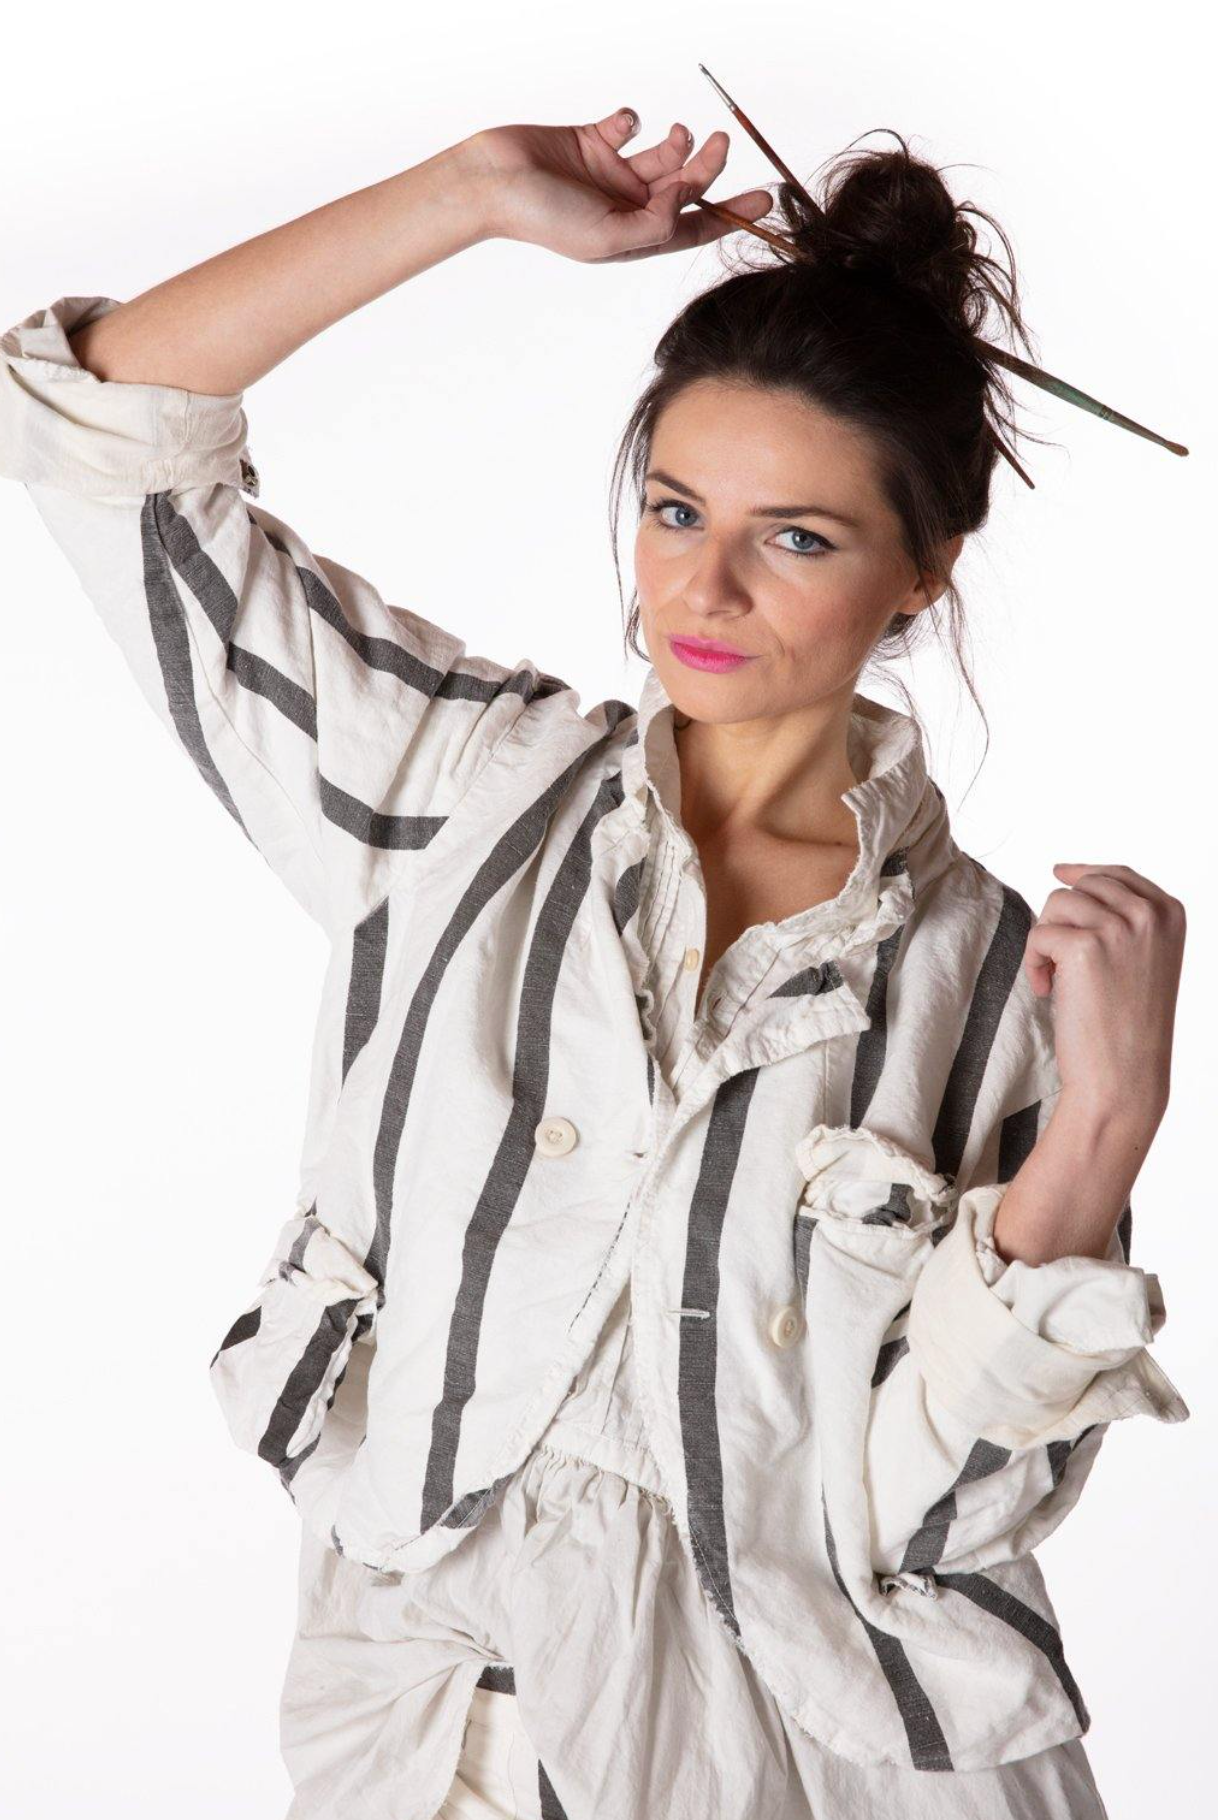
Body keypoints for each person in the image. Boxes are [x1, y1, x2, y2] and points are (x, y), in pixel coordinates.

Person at [0, 103, 1190, 1820]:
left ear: (923, 576)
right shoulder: (462, 792)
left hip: (823, 1769)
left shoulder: (997, 982)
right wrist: (465, 196)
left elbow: (946, 1515)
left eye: (797, 538)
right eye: (674, 509)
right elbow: (103, 431)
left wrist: (1105, 1126)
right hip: (441, 1733)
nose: (703, 588)